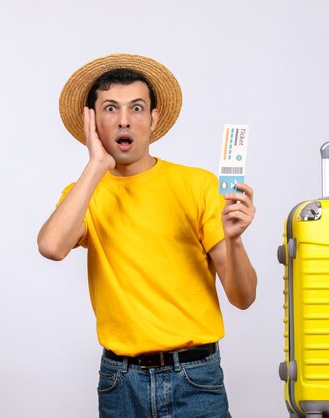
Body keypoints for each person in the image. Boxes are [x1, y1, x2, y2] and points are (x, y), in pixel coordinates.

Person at [37, 53, 257, 418]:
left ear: (153, 118)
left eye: (137, 108)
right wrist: (96, 165)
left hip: (195, 378)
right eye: (110, 108)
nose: (124, 119)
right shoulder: (83, 194)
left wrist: (233, 240)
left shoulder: (197, 184)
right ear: (91, 121)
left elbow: (244, 297)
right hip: (119, 382)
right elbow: (51, 246)